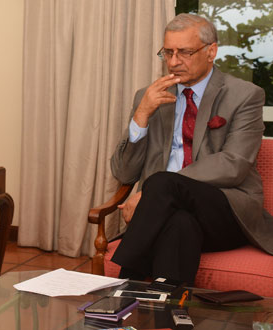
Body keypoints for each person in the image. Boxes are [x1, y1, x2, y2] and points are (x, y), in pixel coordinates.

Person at [110, 13, 273, 285]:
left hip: (227, 211)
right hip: (168, 214)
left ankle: (126, 280)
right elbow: (125, 173)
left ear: (211, 52)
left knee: (161, 183)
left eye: (184, 52)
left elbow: (233, 164)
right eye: (168, 53)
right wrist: (141, 116)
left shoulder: (245, 95)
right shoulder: (149, 97)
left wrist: (151, 191)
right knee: (180, 225)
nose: (173, 62)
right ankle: (168, 316)